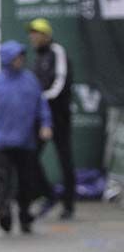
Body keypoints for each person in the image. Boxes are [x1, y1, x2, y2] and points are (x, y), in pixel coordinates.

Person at [0, 41, 53, 234]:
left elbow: (41, 105)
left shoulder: (30, 80)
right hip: (3, 143)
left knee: (26, 182)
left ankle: (25, 214)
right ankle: (4, 212)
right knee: (5, 181)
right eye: (15, 57)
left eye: (21, 57)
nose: (19, 60)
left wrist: (46, 124)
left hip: (26, 142)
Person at [27, 18, 75, 220]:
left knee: (65, 159)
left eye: (37, 34)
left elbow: (60, 83)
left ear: (46, 35)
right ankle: (47, 194)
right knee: (31, 157)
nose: (33, 38)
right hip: (42, 118)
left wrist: (41, 99)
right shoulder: (37, 58)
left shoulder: (57, 52)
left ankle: (69, 205)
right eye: (32, 34)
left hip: (59, 116)